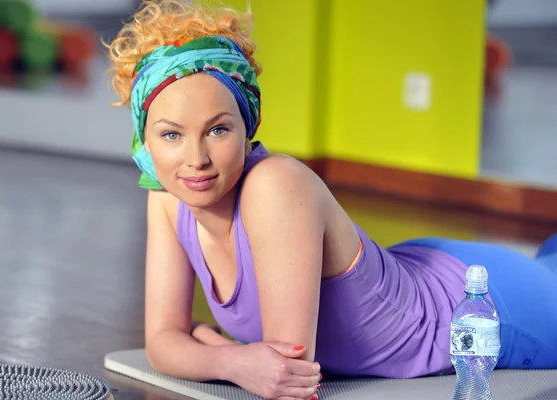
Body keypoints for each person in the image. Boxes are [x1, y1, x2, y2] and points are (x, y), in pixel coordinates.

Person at [105, 1, 557, 399]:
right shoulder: (166, 195)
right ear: (146, 143)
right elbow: (162, 342)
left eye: (218, 129)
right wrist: (232, 360)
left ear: (248, 127)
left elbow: (286, 378)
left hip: (478, 309)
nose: (196, 159)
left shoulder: (274, 185)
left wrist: (211, 347)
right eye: (171, 135)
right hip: (414, 268)